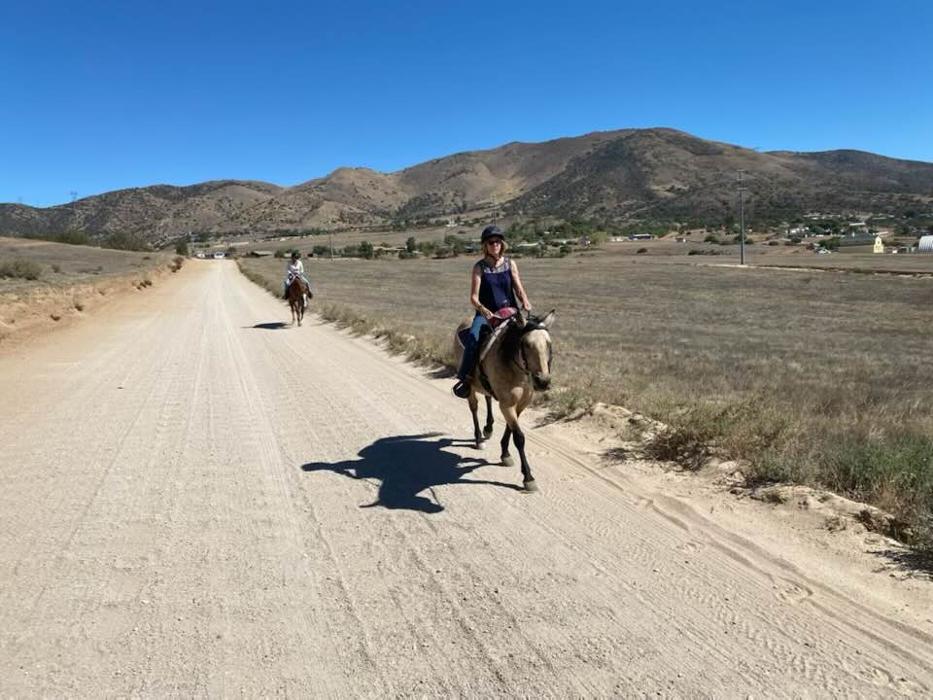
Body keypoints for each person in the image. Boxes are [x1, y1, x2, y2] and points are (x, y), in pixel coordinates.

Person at [452, 225, 532, 398]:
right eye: (490, 242)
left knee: (533, 336)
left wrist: (525, 300)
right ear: (485, 246)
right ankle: (465, 378)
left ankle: (537, 375)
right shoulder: (479, 267)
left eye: (497, 241)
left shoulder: (510, 264)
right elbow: (473, 297)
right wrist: (485, 311)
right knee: (473, 338)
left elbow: (518, 288)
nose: (494, 245)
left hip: (510, 312)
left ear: (502, 244)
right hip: (487, 315)